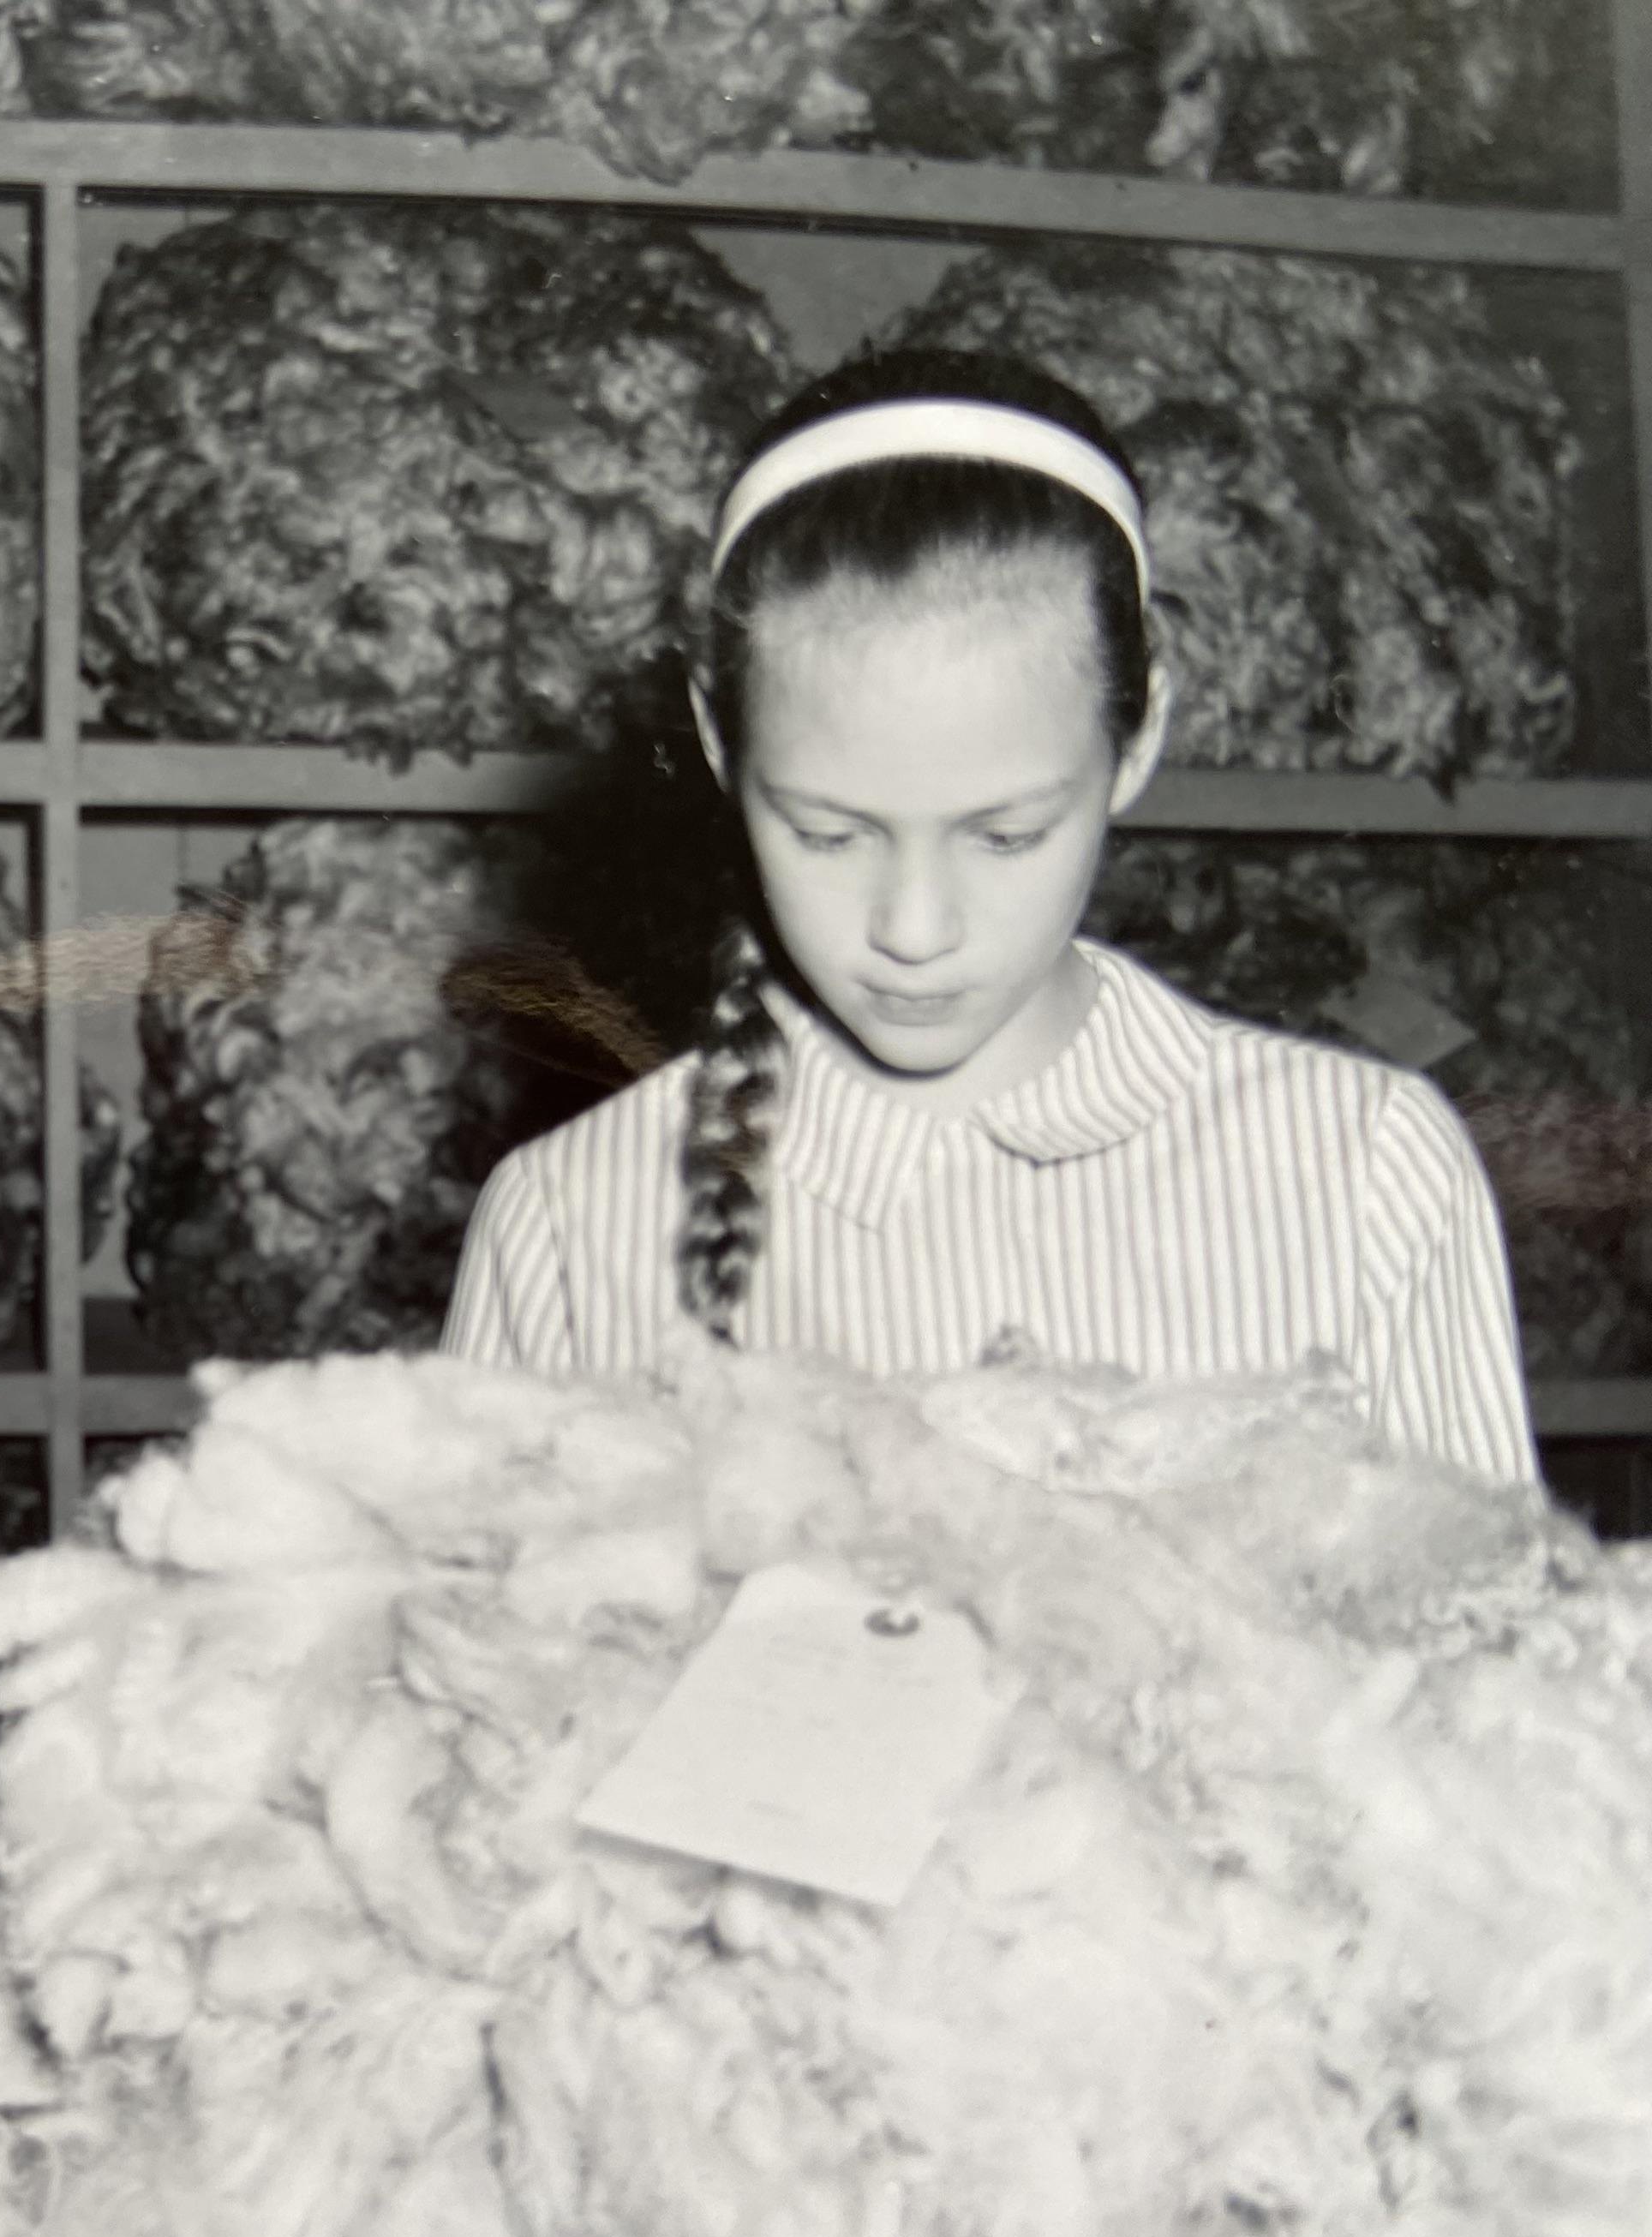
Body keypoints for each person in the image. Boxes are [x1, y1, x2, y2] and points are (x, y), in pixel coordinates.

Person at [443, 348, 1535, 1484]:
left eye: (1006, 834)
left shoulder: (1368, 1170)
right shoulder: (567, 1224)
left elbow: (1504, 1654)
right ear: (720, 742)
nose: (914, 929)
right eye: (828, 832)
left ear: (1141, 730)